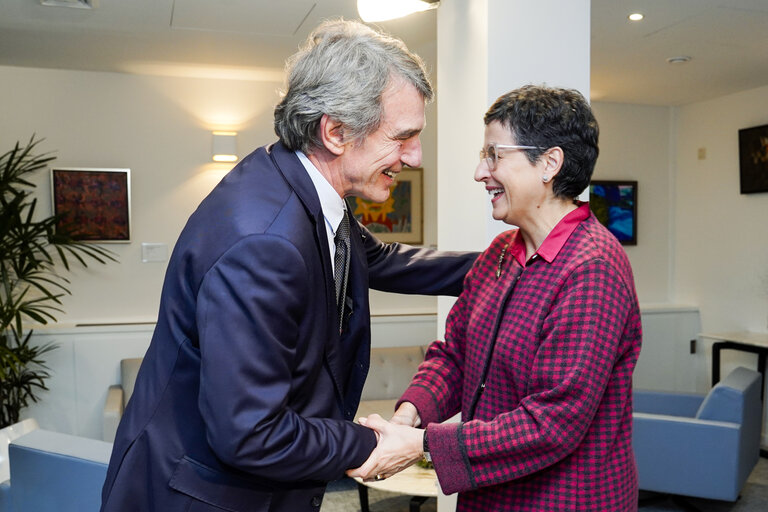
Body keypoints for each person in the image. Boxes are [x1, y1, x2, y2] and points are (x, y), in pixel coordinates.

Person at [100, 20, 477, 512]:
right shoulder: (264, 242)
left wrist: (509, 261)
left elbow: (384, 260)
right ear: (336, 131)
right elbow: (250, 433)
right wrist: (372, 445)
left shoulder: (301, 187)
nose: (416, 157)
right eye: (403, 137)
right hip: (201, 497)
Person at [348, 85, 643, 511]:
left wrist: (420, 444)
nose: (479, 172)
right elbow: (454, 357)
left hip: (564, 501)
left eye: (494, 155)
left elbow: (551, 423)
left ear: (549, 163)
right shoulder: (500, 254)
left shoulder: (593, 268)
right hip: (491, 496)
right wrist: (407, 417)